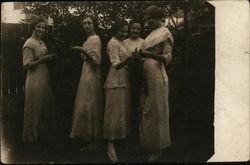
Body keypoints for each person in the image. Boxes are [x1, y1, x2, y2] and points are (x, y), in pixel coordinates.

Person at [135, 6, 174, 162]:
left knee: (157, 112)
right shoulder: (151, 35)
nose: (147, 21)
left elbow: (167, 58)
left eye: (149, 18)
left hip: (158, 77)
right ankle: (149, 145)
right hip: (147, 77)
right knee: (147, 110)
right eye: (146, 19)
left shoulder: (165, 33)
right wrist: (139, 58)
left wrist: (148, 54)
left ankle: (158, 150)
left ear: (157, 17)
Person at [70, 15, 104, 152]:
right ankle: (86, 136)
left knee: (91, 103)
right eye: (84, 23)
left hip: (92, 74)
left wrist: (81, 49)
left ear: (94, 24)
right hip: (85, 72)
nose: (86, 26)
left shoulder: (95, 39)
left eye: (89, 23)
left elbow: (95, 61)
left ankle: (94, 139)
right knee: (84, 103)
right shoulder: (89, 39)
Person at [103, 19, 134, 162]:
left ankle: (120, 143)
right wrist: (129, 60)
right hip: (115, 80)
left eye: (125, 32)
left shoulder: (122, 42)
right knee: (113, 113)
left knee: (122, 112)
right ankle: (110, 145)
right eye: (121, 31)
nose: (124, 34)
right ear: (115, 30)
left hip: (124, 79)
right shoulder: (112, 43)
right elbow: (115, 64)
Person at [22, 18, 56, 145]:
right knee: (33, 107)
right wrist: (45, 58)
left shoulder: (41, 42)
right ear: (33, 27)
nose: (41, 29)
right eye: (38, 27)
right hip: (34, 78)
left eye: (43, 28)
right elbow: (26, 65)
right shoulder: (29, 44)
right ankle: (30, 139)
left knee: (45, 106)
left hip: (44, 76)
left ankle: (41, 136)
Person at [124, 21, 144, 139]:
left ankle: (139, 130)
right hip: (127, 73)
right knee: (128, 101)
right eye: (133, 28)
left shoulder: (143, 42)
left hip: (140, 74)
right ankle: (128, 130)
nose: (135, 31)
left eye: (138, 29)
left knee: (138, 101)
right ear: (130, 29)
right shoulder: (124, 42)